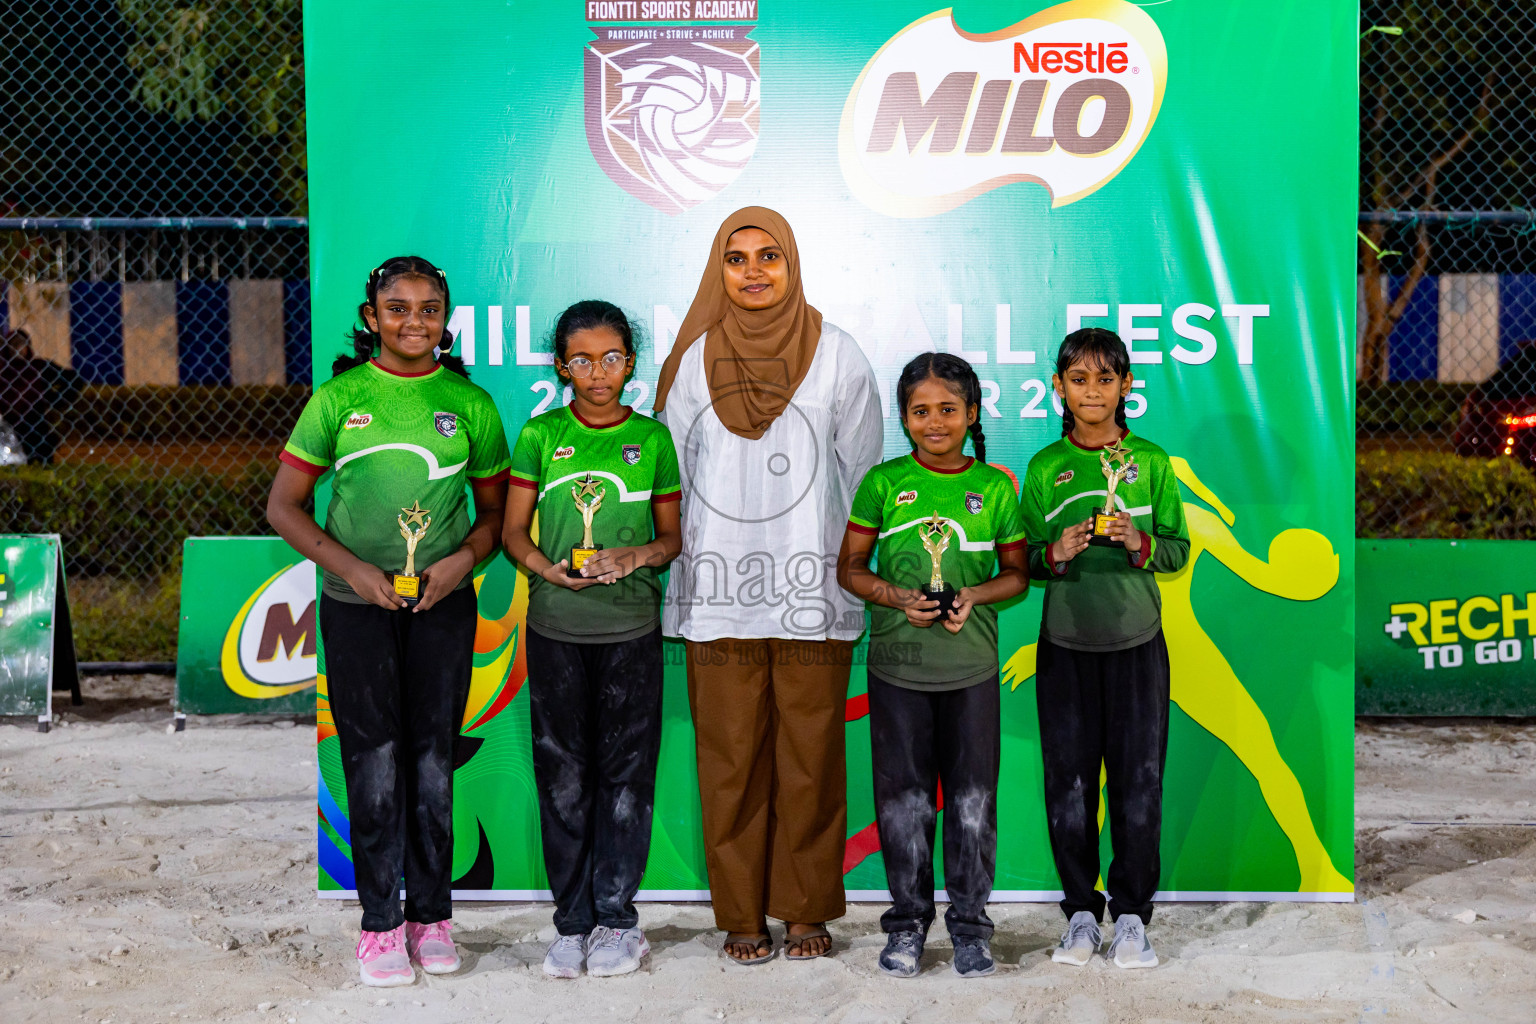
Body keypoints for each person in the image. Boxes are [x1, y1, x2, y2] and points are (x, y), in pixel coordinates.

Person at [266, 256, 510, 987]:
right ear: (372, 317)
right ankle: (379, 925)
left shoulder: (470, 405)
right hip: (355, 608)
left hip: (443, 605)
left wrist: (460, 563)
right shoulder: (339, 400)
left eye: (429, 308)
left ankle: (433, 916)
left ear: (446, 317)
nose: (414, 321)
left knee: (433, 759)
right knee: (371, 759)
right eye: (397, 308)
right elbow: (284, 506)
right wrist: (353, 571)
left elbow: (497, 516)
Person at [653, 206, 883, 964]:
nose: (753, 272)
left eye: (769, 257)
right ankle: (742, 916)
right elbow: (674, 482)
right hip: (717, 597)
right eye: (737, 258)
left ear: (793, 265)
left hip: (813, 596)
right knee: (729, 766)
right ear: (718, 271)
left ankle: (807, 908)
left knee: (810, 762)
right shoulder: (691, 361)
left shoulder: (840, 356)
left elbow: (862, 483)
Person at [501, 300, 682, 979]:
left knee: (626, 780)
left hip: (631, 633)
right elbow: (513, 533)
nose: (597, 372)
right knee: (564, 780)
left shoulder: (653, 440)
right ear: (560, 366)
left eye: (610, 359)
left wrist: (634, 558)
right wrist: (545, 568)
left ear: (629, 364)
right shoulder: (541, 435)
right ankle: (571, 923)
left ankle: (617, 920)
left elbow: (672, 537)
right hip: (554, 631)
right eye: (581, 360)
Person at [836, 353, 1027, 979]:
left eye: (949, 409)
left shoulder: (997, 488)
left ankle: (971, 928)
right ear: (905, 418)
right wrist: (896, 597)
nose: (935, 422)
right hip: (897, 671)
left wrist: (971, 595)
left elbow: (1018, 577)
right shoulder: (884, 484)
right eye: (921, 411)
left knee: (974, 803)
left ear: (971, 414)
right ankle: (908, 924)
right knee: (904, 802)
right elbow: (851, 569)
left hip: (972, 672)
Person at [1020, 327, 1188, 970]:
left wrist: (1138, 539)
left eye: (1106, 379)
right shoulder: (1043, 467)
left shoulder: (1150, 463)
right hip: (1064, 647)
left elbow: (1175, 551)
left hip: (1138, 646)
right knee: (1068, 784)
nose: (1093, 391)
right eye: (1079, 379)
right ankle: (1082, 915)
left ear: (1126, 387)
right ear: (1059, 388)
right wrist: (1054, 554)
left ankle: (1133, 918)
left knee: (1139, 784)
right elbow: (1022, 561)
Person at [0, 327, 82, 464]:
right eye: (14, 345)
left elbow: (73, 380)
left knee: (42, 463)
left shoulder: (37, 367)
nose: (19, 349)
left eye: (22, 344)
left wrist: (56, 400)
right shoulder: (4, 371)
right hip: (10, 427)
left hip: (36, 424)